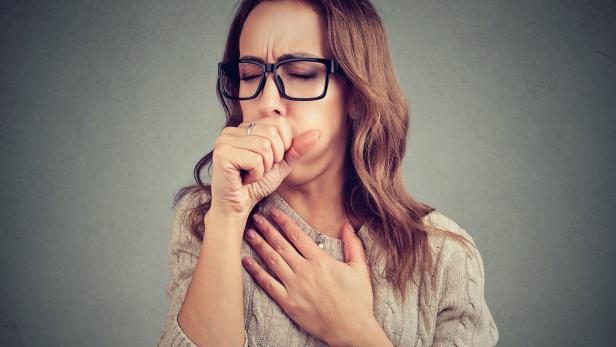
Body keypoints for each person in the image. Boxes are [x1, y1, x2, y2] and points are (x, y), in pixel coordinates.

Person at [157, 0, 499, 346]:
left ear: (356, 94)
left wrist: (353, 330)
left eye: (301, 73)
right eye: (249, 75)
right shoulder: (206, 218)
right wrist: (227, 218)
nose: (267, 101)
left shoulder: (444, 256)